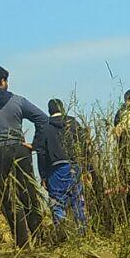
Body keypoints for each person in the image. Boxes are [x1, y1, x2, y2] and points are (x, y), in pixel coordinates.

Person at [0, 66, 48, 248]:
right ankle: (40, 238)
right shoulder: (18, 101)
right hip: (19, 150)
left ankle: (22, 244)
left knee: (7, 199)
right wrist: (35, 145)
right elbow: (42, 119)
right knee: (28, 193)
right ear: (3, 81)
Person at [35, 98, 88, 229]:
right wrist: (86, 168)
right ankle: (83, 230)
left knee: (57, 202)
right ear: (63, 108)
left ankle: (62, 231)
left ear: (49, 111)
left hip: (55, 170)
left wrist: (43, 176)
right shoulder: (73, 123)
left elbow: (41, 153)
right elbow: (84, 144)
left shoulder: (44, 127)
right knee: (77, 199)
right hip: (74, 166)